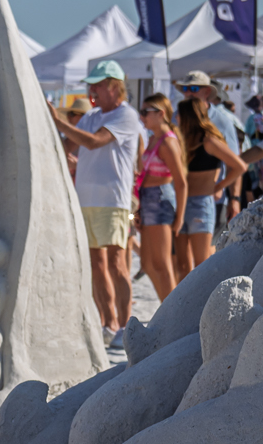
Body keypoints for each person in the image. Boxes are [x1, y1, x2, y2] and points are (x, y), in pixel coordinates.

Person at [51, 61, 143, 339]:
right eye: (92, 85)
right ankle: (109, 324)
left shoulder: (126, 115)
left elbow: (93, 141)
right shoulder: (91, 115)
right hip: (85, 199)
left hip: (113, 200)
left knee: (116, 263)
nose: (93, 90)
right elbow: (68, 146)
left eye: (99, 85)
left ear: (115, 86)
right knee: (96, 264)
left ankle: (126, 327)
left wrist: (57, 121)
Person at [172, 94, 244, 279]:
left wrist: (219, 186)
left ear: (189, 116)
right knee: (181, 265)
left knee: (201, 265)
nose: (176, 117)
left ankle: (202, 298)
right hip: (180, 203)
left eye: (180, 114)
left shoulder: (208, 141)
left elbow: (239, 166)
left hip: (201, 204)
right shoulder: (182, 140)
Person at [135, 95, 187, 303]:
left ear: (161, 114)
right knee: (148, 264)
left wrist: (180, 217)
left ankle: (172, 311)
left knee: (162, 264)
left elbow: (181, 182)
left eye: (145, 112)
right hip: (149, 199)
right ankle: (167, 307)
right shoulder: (153, 139)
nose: (142, 117)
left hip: (159, 200)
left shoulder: (167, 142)